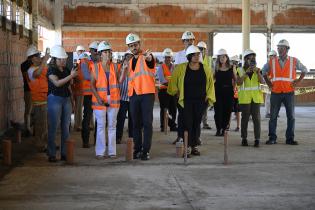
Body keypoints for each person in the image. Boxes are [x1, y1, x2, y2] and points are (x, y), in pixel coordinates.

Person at [168, 45, 215, 156]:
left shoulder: (206, 69)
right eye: (194, 55)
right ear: (189, 56)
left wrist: (208, 96)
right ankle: (186, 146)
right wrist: (177, 92)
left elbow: (210, 84)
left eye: (198, 54)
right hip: (185, 101)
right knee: (186, 123)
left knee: (196, 123)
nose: (197, 56)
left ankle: (194, 146)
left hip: (200, 101)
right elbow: (173, 81)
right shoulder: (181, 68)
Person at [263, 39, 308, 145]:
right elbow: (263, 71)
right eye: (278, 48)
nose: (280, 50)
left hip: (289, 92)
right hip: (276, 92)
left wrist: (298, 81)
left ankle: (290, 139)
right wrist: (268, 83)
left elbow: (304, 70)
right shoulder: (272, 61)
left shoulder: (294, 61)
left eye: (282, 48)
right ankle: (272, 138)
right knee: (273, 116)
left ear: (287, 49)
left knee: (291, 117)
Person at [120, 33, 156, 160]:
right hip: (134, 95)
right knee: (135, 124)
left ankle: (145, 151)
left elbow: (151, 62)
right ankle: (137, 149)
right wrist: (124, 69)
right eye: (131, 46)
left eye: (135, 44)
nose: (133, 47)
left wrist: (149, 58)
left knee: (147, 123)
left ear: (139, 44)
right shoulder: (129, 62)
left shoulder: (146, 57)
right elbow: (124, 79)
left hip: (147, 94)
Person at [47, 45, 78, 162]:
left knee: (66, 127)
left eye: (64, 59)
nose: (63, 61)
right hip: (54, 98)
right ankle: (52, 153)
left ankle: (64, 152)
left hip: (65, 99)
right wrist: (71, 76)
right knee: (53, 127)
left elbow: (69, 86)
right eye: (61, 59)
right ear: (54, 59)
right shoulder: (51, 70)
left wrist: (72, 101)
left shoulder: (65, 70)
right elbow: (57, 83)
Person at [90, 41, 120, 159]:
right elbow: (92, 85)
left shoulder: (115, 66)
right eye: (105, 52)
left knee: (112, 126)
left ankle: (112, 152)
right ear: (100, 54)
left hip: (113, 100)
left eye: (109, 52)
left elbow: (119, 81)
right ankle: (100, 152)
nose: (107, 54)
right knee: (101, 126)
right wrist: (98, 98)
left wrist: (124, 70)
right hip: (100, 100)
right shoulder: (95, 67)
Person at [236, 49, 264, 147]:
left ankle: (257, 139)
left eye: (253, 58)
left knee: (256, 119)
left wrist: (258, 73)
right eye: (249, 58)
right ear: (245, 59)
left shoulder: (258, 70)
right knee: (245, 119)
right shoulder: (239, 70)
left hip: (256, 98)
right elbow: (238, 82)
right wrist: (246, 73)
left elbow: (262, 82)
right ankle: (244, 138)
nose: (252, 60)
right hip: (245, 99)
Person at [172, 31, 196, 144]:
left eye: (191, 40)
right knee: (181, 115)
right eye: (187, 40)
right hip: (181, 90)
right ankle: (180, 136)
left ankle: (194, 138)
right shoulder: (179, 55)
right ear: (183, 42)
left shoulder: (197, 55)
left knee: (194, 116)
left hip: (193, 91)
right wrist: (176, 89)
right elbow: (176, 73)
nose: (190, 42)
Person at [26, 46, 49, 152]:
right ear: (32, 58)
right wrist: (44, 60)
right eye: (38, 56)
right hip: (38, 103)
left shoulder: (41, 67)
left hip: (45, 101)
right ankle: (39, 146)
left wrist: (45, 60)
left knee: (45, 126)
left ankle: (46, 144)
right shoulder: (31, 70)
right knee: (40, 126)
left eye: (40, 55)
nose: (40, 57)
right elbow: (37, 74)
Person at [213, 49, 236, 136]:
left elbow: (235, 79)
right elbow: (212, 80)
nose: (222, 58)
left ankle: (224, 128)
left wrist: (233, 89)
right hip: (217, 92)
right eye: (220, 57)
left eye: (223, 57)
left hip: (228, 92)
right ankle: (218, 129)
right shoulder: (216, 68)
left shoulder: (232, 67)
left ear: (227, 57)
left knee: (227, 111)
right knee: (218, 111)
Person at [157, 48, 177, 132]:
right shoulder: (161, 67)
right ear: (163, 58)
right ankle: (163, 126)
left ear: (171, 58)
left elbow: (176, 79)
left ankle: (172, 126)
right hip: (164, 92)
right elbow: (162, 80)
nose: (168, 59)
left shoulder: (174, 67)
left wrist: (170, 81)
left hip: (173, 91)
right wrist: (171, 82)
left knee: (173, 110)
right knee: (164, 109)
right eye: (166, 57)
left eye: (169, 57)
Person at [116, 50, 133, 144]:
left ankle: (131, 137)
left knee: (132, 119)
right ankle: (118, 137)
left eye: (130, 57)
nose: (128, 59)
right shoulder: (120, 68)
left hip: (132, 98)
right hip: (122, 98)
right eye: (127, 57)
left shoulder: (134, 69)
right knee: (120, 119)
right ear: (124, 58)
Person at [77, 51, 93, 148]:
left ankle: (86, 141)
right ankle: (86, 141)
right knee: (87, 117)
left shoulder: (80, 64)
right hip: (89, 94)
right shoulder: (85, 64)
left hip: (85, 93)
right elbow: (87, 77)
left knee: (86, 117)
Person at [197, 41, 213, 130]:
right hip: (197, 86)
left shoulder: (209, 60)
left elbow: (213, 72)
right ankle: (197, 122)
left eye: (202, 49)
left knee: (205, 105)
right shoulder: (194, 58)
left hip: (207, 85)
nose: (201, 50)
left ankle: (205, 123)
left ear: (205, 50)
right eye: (199, 48)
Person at [22, 47, 34, 136]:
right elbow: (28, 78)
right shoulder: (27, 65)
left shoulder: (25, 64)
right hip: (30, 90)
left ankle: (29, 128)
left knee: (29, 110)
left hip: (29, 90)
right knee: (29, 110)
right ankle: (28, 129)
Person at [73, 45, 85, 131]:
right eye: (79, 51)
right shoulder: (76, 66)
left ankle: (90, 125)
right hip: (79, 90)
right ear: (77, 53)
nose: (80, 52)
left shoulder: (89, 64)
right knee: (78, 109)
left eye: (82, 51)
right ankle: (78, 125)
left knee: (89, 110)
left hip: (88, 91)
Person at [265, 50, 277, 118]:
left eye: (274, 56)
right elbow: (265, 75)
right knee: (268, 99)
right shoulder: (268, 65)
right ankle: (267, 112)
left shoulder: (277, 64)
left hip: (276, 84)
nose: (273, 57)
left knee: (275, 99)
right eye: (271, 56)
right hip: (269, 83)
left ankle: (274, 112)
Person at [230, 55, 241, 132]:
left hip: (237, 94)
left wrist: (234, 70)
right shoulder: (228, 70)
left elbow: (238, 81)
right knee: (229, 110)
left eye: (235, 62)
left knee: (237, 111)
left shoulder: (240, 71)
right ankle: (228, 125)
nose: (234, 64)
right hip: (229, 93)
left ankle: (238, 126)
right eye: (233, 62)